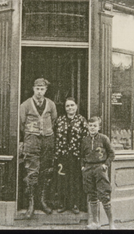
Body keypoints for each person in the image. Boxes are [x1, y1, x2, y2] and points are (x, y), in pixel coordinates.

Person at [20, 78, 57, 219]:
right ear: (33, 89)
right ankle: (31, 204)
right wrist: (31, 134)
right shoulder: (25, 105)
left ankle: (42, 201)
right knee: (32, 171)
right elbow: (22, 124)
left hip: (47, 140)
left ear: (46, 90)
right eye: (37, 89)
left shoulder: (51, 104)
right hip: (32, 140)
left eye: (42, 89)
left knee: (45, 170)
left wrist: (46, 132)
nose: (39, 92)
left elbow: (53, 120)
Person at [54, 97, 88, 214]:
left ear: (76, 107)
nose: (70, 108)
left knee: (75, 180)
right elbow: (55, 138)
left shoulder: (82, 120)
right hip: (62, 156)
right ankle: (63, 204)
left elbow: (86, 139)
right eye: (67, 106)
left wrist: (83, 156)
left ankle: (75, 204)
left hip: (76, 156)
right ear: (65, 108)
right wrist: (57, 154)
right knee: (62, 179)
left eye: (72, 105)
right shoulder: (60, 120)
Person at [81, 116, 115, 229]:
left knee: (104, 195)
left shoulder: (104, 138)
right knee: (92, 196)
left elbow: (111, 154)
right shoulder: (84, 140)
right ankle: (95, 222)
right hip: (88, 169)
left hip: (100, 168)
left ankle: (111, 223)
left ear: (99, 127)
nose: (92, 128)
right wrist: (83, 167)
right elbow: (81, 156)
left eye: (95, 126)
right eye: (90, 126)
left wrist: (105, 165)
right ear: (87, 127)